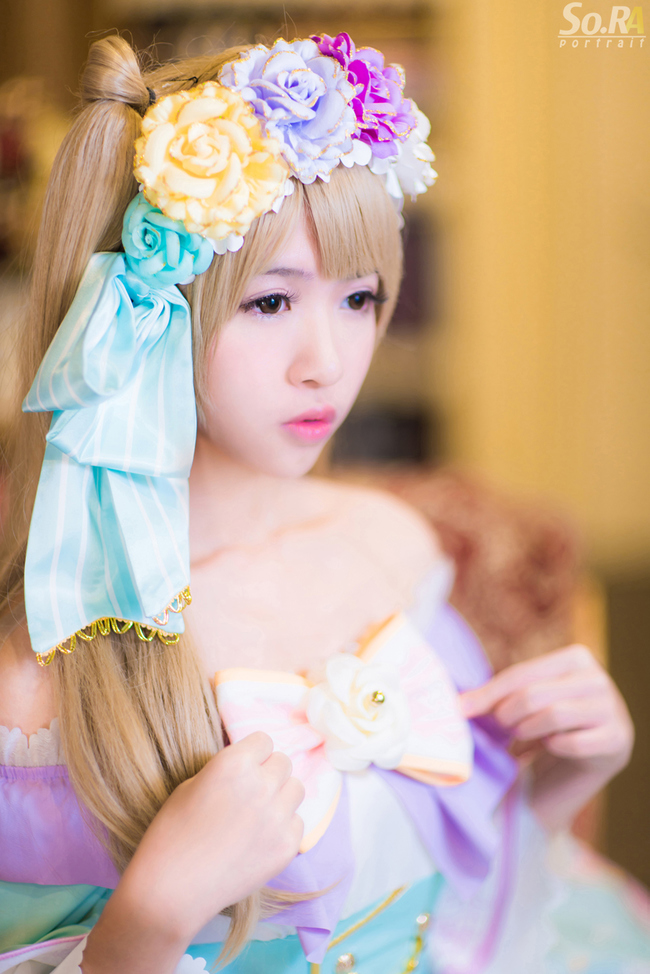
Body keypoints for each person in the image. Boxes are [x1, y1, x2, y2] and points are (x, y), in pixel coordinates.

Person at [0, 32, 646, 974]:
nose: (328, 364)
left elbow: (450, 891)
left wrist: (566, 775)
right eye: (270, 303)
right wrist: (149, 920)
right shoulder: (43, 676)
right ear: (140, 314)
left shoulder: (391, 547)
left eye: (359, 298)